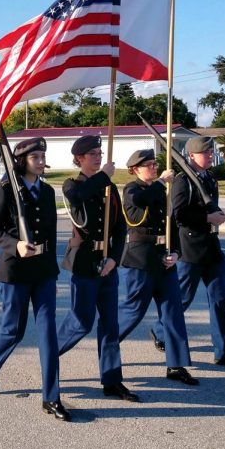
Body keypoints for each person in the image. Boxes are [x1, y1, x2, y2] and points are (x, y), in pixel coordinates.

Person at [0, 138, 68, 422]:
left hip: (43, 271)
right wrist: (15, 244)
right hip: (16, 270)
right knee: (13, 330)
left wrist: (53, 266)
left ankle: (51, 397)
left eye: (43, 156)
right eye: (35, 157)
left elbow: (51, 234)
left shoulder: (46, 191)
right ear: (21, 161)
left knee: (48, 335)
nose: (41, 161)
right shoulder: (7, 190)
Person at [152, 136, 225, 369]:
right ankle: (160, 330)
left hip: (212, 248)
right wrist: (207, 218)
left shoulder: (209, 178)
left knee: (219, 302)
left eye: (210, 152)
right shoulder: (182, 181)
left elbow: (209, 206)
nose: (210, 155)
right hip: (190, 249)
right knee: (182, 299)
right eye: (205, 152)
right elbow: (178, 216)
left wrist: (218, 215)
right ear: (192, 155)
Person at [56, 135, 138, 402]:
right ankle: (50, 354)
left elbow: (120, 227)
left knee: (110, 325)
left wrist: (115, 259)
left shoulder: (109, 188)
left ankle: (112, 380)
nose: (98, 156)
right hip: (85, 263)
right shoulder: (72, 184)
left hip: (108, 264)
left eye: (99, 152)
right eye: (92, 153)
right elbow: (78, 198)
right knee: (81, 322)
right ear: (79, 158)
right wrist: (102, 177)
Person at [117, 149, 198, 386]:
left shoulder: (161, 191)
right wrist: (162, 180)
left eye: (155, 164)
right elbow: (139, 203)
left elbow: (170, 224)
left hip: (164, 259)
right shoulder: (132, 189)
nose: (154, 167)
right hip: (141, 259)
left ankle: (176, 365)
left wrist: (175, 252)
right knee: (133, 312)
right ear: (135, 169)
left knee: (173, 312)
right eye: (149, 165)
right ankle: (108, 343)